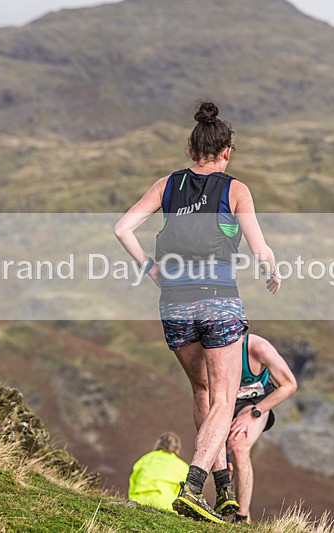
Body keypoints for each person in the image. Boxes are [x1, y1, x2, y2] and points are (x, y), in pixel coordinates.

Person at [114, 101, 280, 523]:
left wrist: (149, 268)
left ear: (192, 151)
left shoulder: (168, 184)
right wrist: (271, 271)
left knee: (203, 391)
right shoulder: (235, 189)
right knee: (225, 397)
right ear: (227, 152)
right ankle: (193, 487)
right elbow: (260, 247)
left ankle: (223, 491)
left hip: (173, 303)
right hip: (219, 298)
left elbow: (122, 228)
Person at [226, 333, 298, 523]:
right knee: (226, 466)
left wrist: (254, 414)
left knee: (239, 449)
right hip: (223, 406)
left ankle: (241, 519)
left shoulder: (259, 348)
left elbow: (289, 385)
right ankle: (237, 518)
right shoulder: (210, 346)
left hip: (254, 404)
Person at [128, 432, 190, 511]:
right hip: (166, 505)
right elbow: (185, 493)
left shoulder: (145, 459)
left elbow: (133, 481)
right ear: (177, 450)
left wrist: (132, 498)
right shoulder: (183, 466)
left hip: (139, 500)